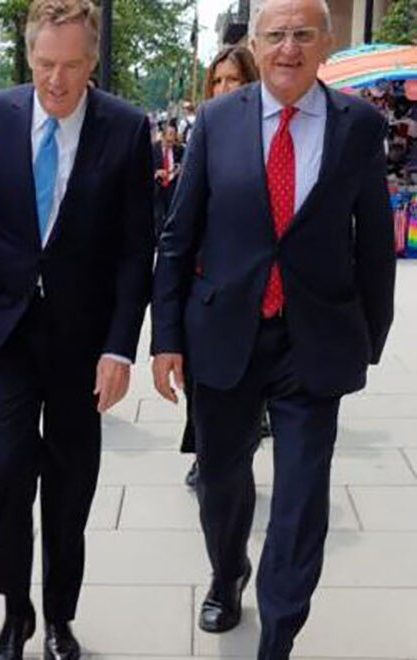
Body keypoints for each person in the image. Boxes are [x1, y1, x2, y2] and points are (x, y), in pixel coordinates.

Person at [150, 0, 396, 655]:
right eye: (276, 35)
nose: (289, 48)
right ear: (255, 45)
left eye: (303, 35)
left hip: (312, 340)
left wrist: (370, 338)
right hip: (224, 332)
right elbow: (178, 235)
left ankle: (278, 636)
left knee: (300, 498)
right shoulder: (217, 121)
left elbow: (375, 244)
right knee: (220, 479)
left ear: (325, 45)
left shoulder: (358, 127)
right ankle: (226, 571)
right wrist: (165, 338)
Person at [0, 0, 155, 656]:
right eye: (44, 64)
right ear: (28, 56)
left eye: (70, 66)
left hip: (82, 341)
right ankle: (15, 611)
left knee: (70, 485)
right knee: (9, 470)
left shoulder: (127, 129)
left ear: (92, 62)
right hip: (8, 330)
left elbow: (135, 250)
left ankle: (60, 616)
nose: (55, 80)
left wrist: (119, 348)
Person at [181, 44, 262, 489]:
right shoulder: (206, 130)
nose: (225, 88)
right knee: (203, 385)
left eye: (234, 80)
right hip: (206, 284)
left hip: (254, 287)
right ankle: (205, 453)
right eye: (218, 81)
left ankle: (234, 454)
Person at [151, 120, 184, 237]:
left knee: (171, 214)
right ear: (163, 136)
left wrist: (179, 168)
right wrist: (156, 172)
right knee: (158, 216)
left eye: (173, 138)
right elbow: (144, 167)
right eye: (169, 139)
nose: (171, 142)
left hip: (172, 185)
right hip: (158, 186)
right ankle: (158, 239)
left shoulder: (179, 149)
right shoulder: (153, 149)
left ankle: (169, 237)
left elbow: (184, 164)